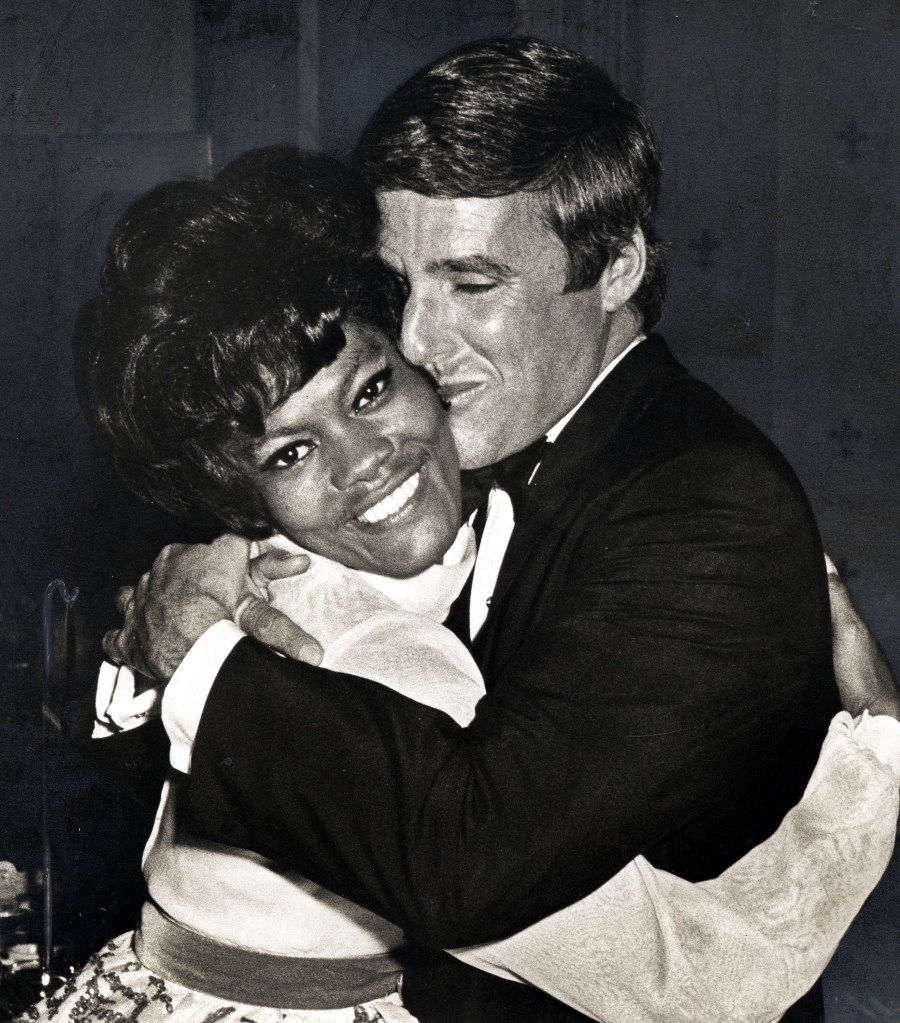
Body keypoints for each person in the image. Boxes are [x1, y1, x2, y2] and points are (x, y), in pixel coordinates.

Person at [99, 39, 896, 1023]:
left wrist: (873, 768)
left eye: (472, 284)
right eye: (402, 290)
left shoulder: (698, 503)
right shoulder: (461, 463)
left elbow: (495, 872)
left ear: (616, 267)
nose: (422, 340)